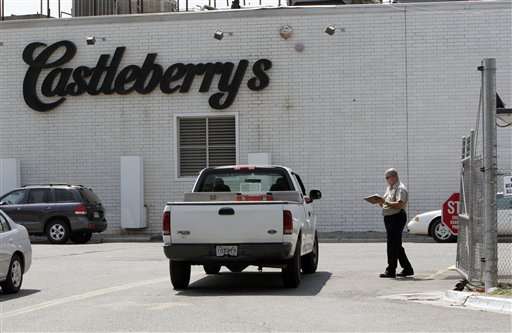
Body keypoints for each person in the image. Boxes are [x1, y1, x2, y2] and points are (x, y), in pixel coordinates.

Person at [377, 168, 414, 278]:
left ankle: (391, 270)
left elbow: (399, 204)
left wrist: (385, 202)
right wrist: (379, 201)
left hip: (397, 217)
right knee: (396, 244)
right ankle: (407, 268)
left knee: (392, 244)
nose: (386, 180)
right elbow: (384, 202)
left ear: (393, 177)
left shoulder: (400, 189)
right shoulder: (390, 188)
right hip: (389, 217)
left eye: (387, 178)